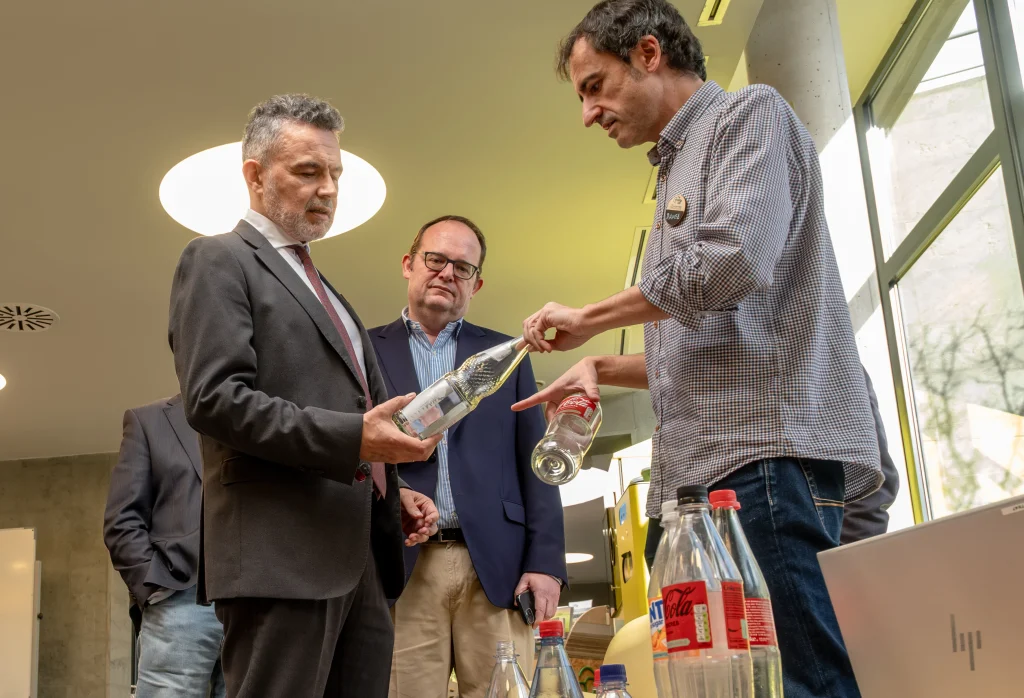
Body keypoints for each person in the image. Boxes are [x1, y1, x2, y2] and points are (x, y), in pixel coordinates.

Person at [514, 3, 882, 697]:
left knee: (799, 681)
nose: (588, 114)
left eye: (594, 86)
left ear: (648, 53)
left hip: (761, 464)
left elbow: (735, 259)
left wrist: (591, 318)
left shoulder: (750, 116)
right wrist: (601, 365)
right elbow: (707, 345)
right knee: (724, 685)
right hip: (700, 481)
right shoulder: (674, 170)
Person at [168, 93, 442, 698]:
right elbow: (215, 398)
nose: (328, 190)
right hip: (281, 560)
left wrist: (388, 489)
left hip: (361, 560)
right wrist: (355, 441)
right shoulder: (217, 259)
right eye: (309, 171)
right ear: (255, 175)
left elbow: (354, 413)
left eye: (335, 174)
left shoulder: (330, 291)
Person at [369, 215, 566, 698]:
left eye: (463, 268)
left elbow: (537, 465)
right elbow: (354, 456)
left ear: (476, 284)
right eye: (435, 259)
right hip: (402, 564)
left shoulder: (509, 353)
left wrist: (546, 563)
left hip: (498, 567)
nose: (447, 274)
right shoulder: (363, 351)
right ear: (408, 264)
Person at [103, 394, 225, 698]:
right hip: (181, 600)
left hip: (259, 605)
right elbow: (122, 521)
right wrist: (157, 591)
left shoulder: (266, 415)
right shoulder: (148, 420)